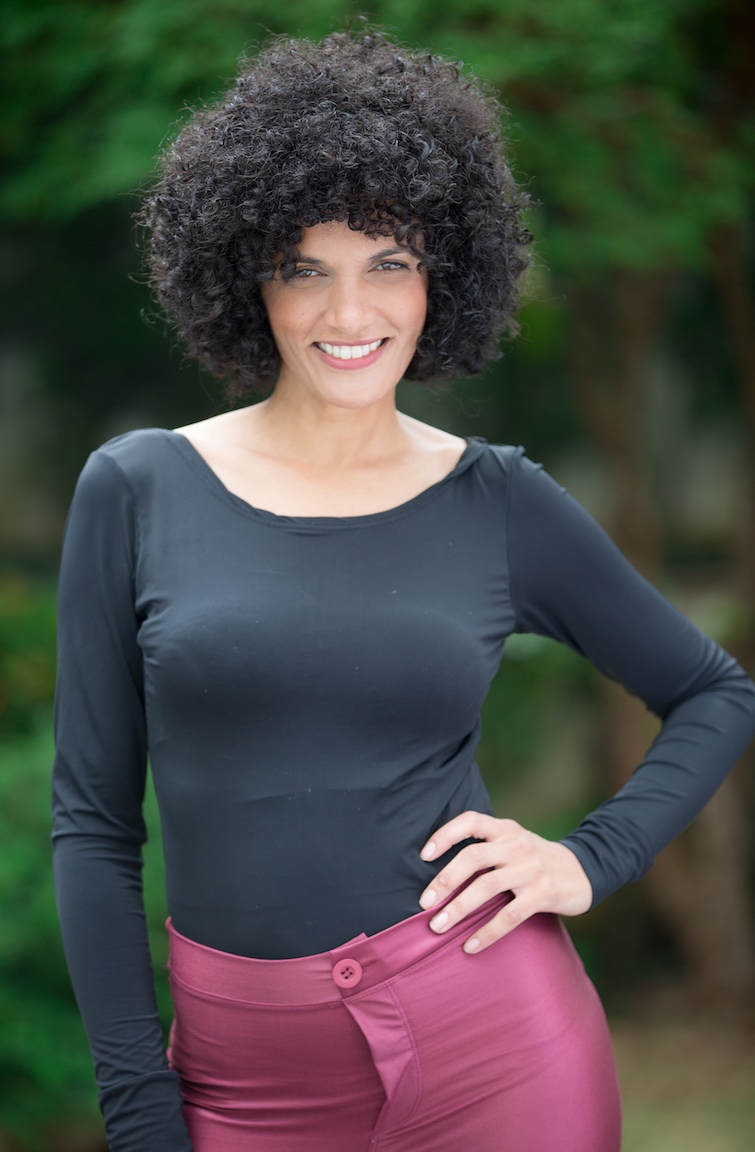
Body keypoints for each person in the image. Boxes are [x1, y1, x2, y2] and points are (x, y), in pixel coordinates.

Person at [52, 27, 755, 1152]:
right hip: (240, 1080)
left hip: (496, 1047)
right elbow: (93, 827)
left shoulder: (497, 500)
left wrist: (588, 859)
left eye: (389, 263)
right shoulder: (137, 489)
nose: (350, 314)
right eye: (306, 268)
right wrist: (141, 1111)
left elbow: (715, 691)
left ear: (443, 278)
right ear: (246, 276)